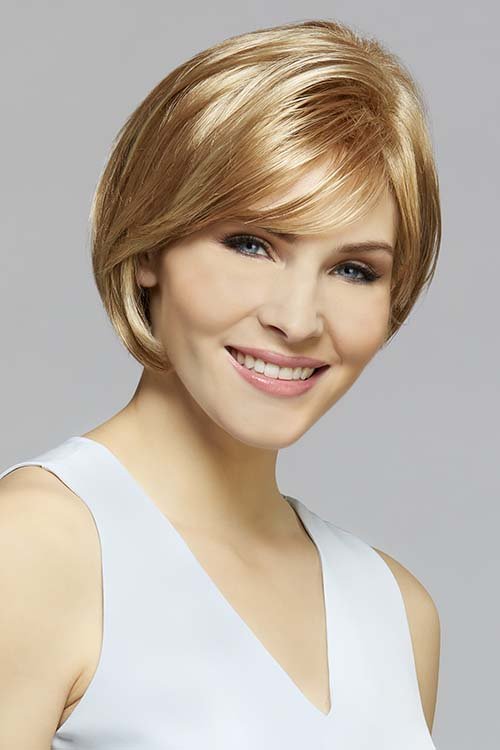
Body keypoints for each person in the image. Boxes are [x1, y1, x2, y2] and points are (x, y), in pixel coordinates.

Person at [0, 18, 441, 749]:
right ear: (150, 246)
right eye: (251, 244)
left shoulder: (397, 613)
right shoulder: (32, 549)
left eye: (353, 269)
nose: (297, 319)